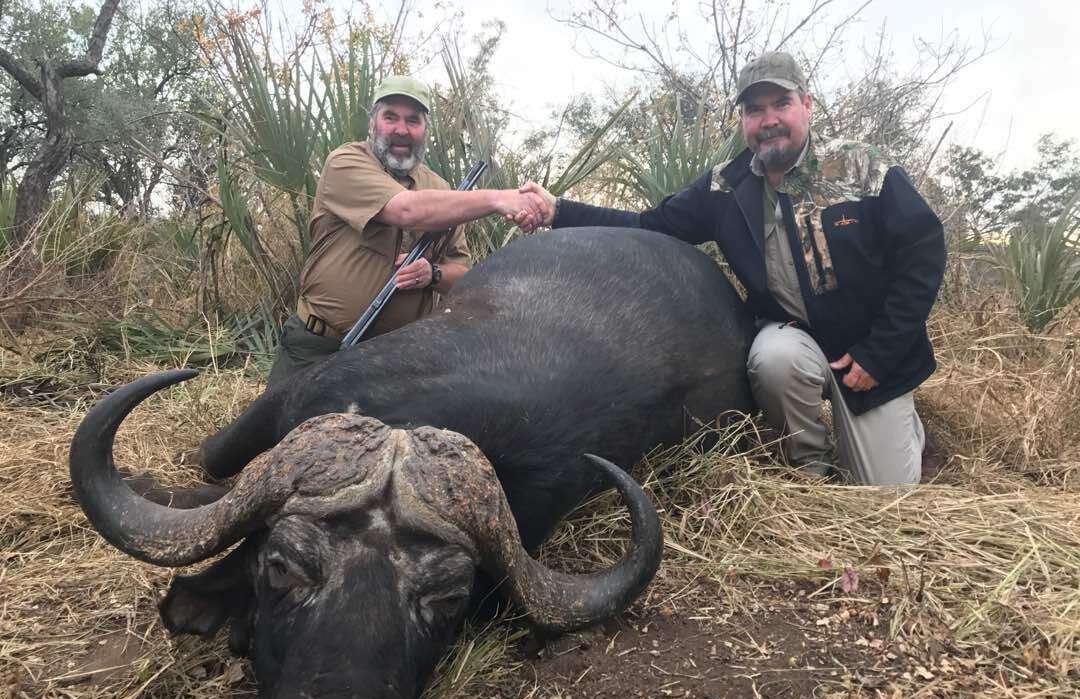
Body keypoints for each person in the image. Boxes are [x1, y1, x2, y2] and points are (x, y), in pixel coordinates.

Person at [520, 52, 945, 485]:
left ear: (807, 105)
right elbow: (649, 226)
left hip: (870, 350)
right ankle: (810, 470)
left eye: (781, 104)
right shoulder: (725, 185)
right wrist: (558, 210)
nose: (769, 120)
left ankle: (908, 433)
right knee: (773, 359)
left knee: (884, 492)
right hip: (796, 339)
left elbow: (923, 251)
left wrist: (883, 351)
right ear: (743, 119)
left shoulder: (862, 166)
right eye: (755, 110)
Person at [267, 75, 550, 387]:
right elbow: (407, 210)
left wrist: (433, 274)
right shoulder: (345, 162)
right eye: (391, 117)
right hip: (319, 348)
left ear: (425, 129)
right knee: (274, 436)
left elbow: (462, 273)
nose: (401, 129)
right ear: (372, 123)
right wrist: (498, 198)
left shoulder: (441, 190)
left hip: (397, 360)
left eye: (413, 120)